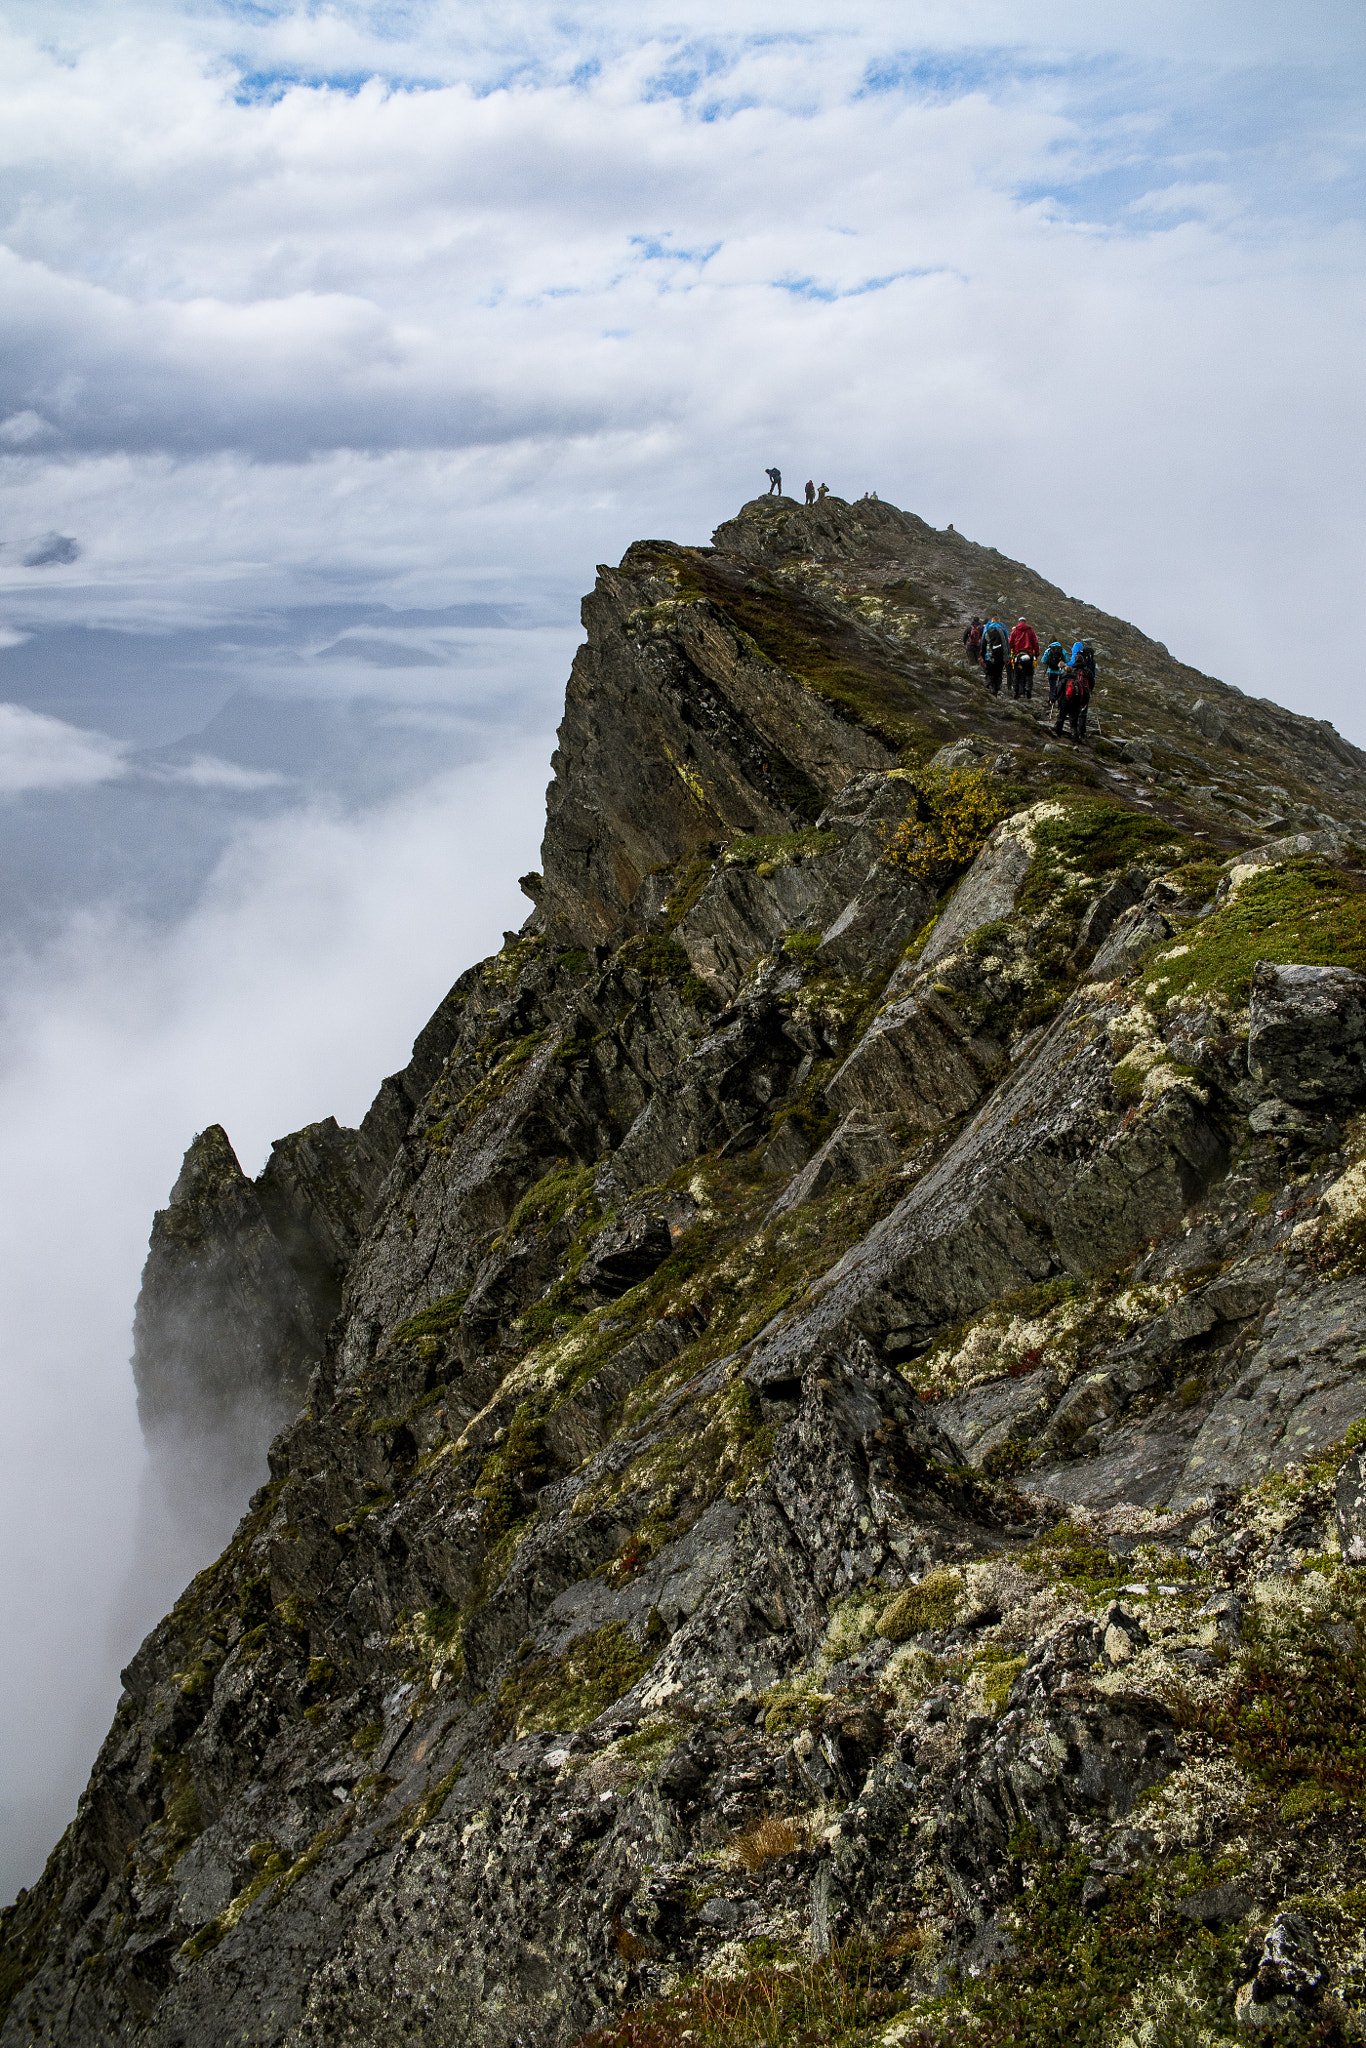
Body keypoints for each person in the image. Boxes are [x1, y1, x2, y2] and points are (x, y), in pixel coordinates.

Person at [1008, 616, 1039, 700]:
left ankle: (1016, 693)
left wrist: (1010, 653)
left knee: (1017, 674)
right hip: (1029, 654)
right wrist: (1036, 654)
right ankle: (1028, 691)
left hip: (1018, 654)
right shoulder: (1030, 630)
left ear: (1019, 622)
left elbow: (1010, 643)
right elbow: (1035, 643)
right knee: (1029, 674)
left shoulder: (1015, 630)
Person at [981, 618, 1008, 695]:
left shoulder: (986, 631)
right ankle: (996, 689)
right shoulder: (1003, 630)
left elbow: (983, 645)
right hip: (1000, 657)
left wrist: (983, 657)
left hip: (989, 657)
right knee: (998, 674)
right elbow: (1006, 645)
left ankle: (990, 688)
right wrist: (1006, 657)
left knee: (989, 673)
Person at [1041, 638, 1065, 705]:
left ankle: (1051, 701)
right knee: (1060, 687)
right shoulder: (1062, 650)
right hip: (1060, 671)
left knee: (1052, 686)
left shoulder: (1048, 650)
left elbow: (1043, 661)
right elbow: (1067, 660)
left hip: (1051, 671)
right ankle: (1059, 702)